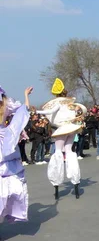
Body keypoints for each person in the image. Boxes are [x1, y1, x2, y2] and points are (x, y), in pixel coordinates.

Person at [36, 78, 87, 200]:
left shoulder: (58, 103)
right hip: (71, 128)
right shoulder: (69, 104)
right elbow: (79, 112)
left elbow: (50, 111)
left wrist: (36, 111)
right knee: (70, 152)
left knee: (58, 152)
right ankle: (75, 180)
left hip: (63, 129)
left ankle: (56, 181)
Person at [0, 85, 33, 222]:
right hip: (5, 139)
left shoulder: (6, 104)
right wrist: (26, 95)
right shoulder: (7, 104)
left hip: (5, 140)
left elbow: (23, 111)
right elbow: (23, 110)